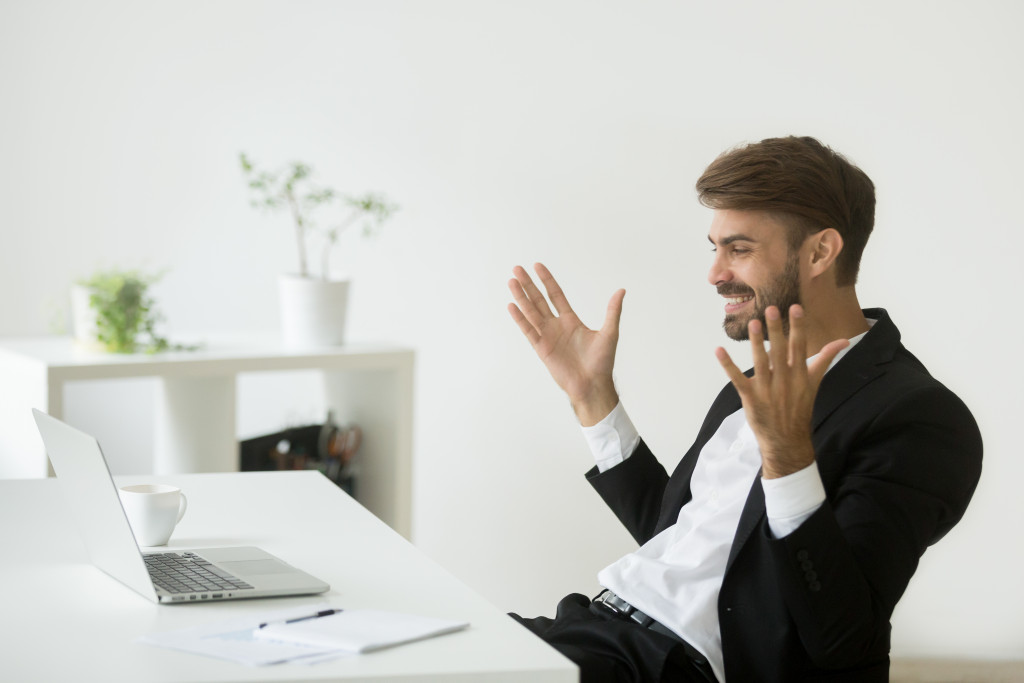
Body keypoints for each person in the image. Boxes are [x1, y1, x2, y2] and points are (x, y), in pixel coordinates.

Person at [505, 136, 982, 683]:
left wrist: (788, 459)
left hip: (667, 666)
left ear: (821, 252)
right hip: (594, 624)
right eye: (715, 248)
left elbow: (843, 636)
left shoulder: (921, 417)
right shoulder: (754, 381)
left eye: (739, 248)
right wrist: (594, 399)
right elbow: (680, 534)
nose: (714, 273)